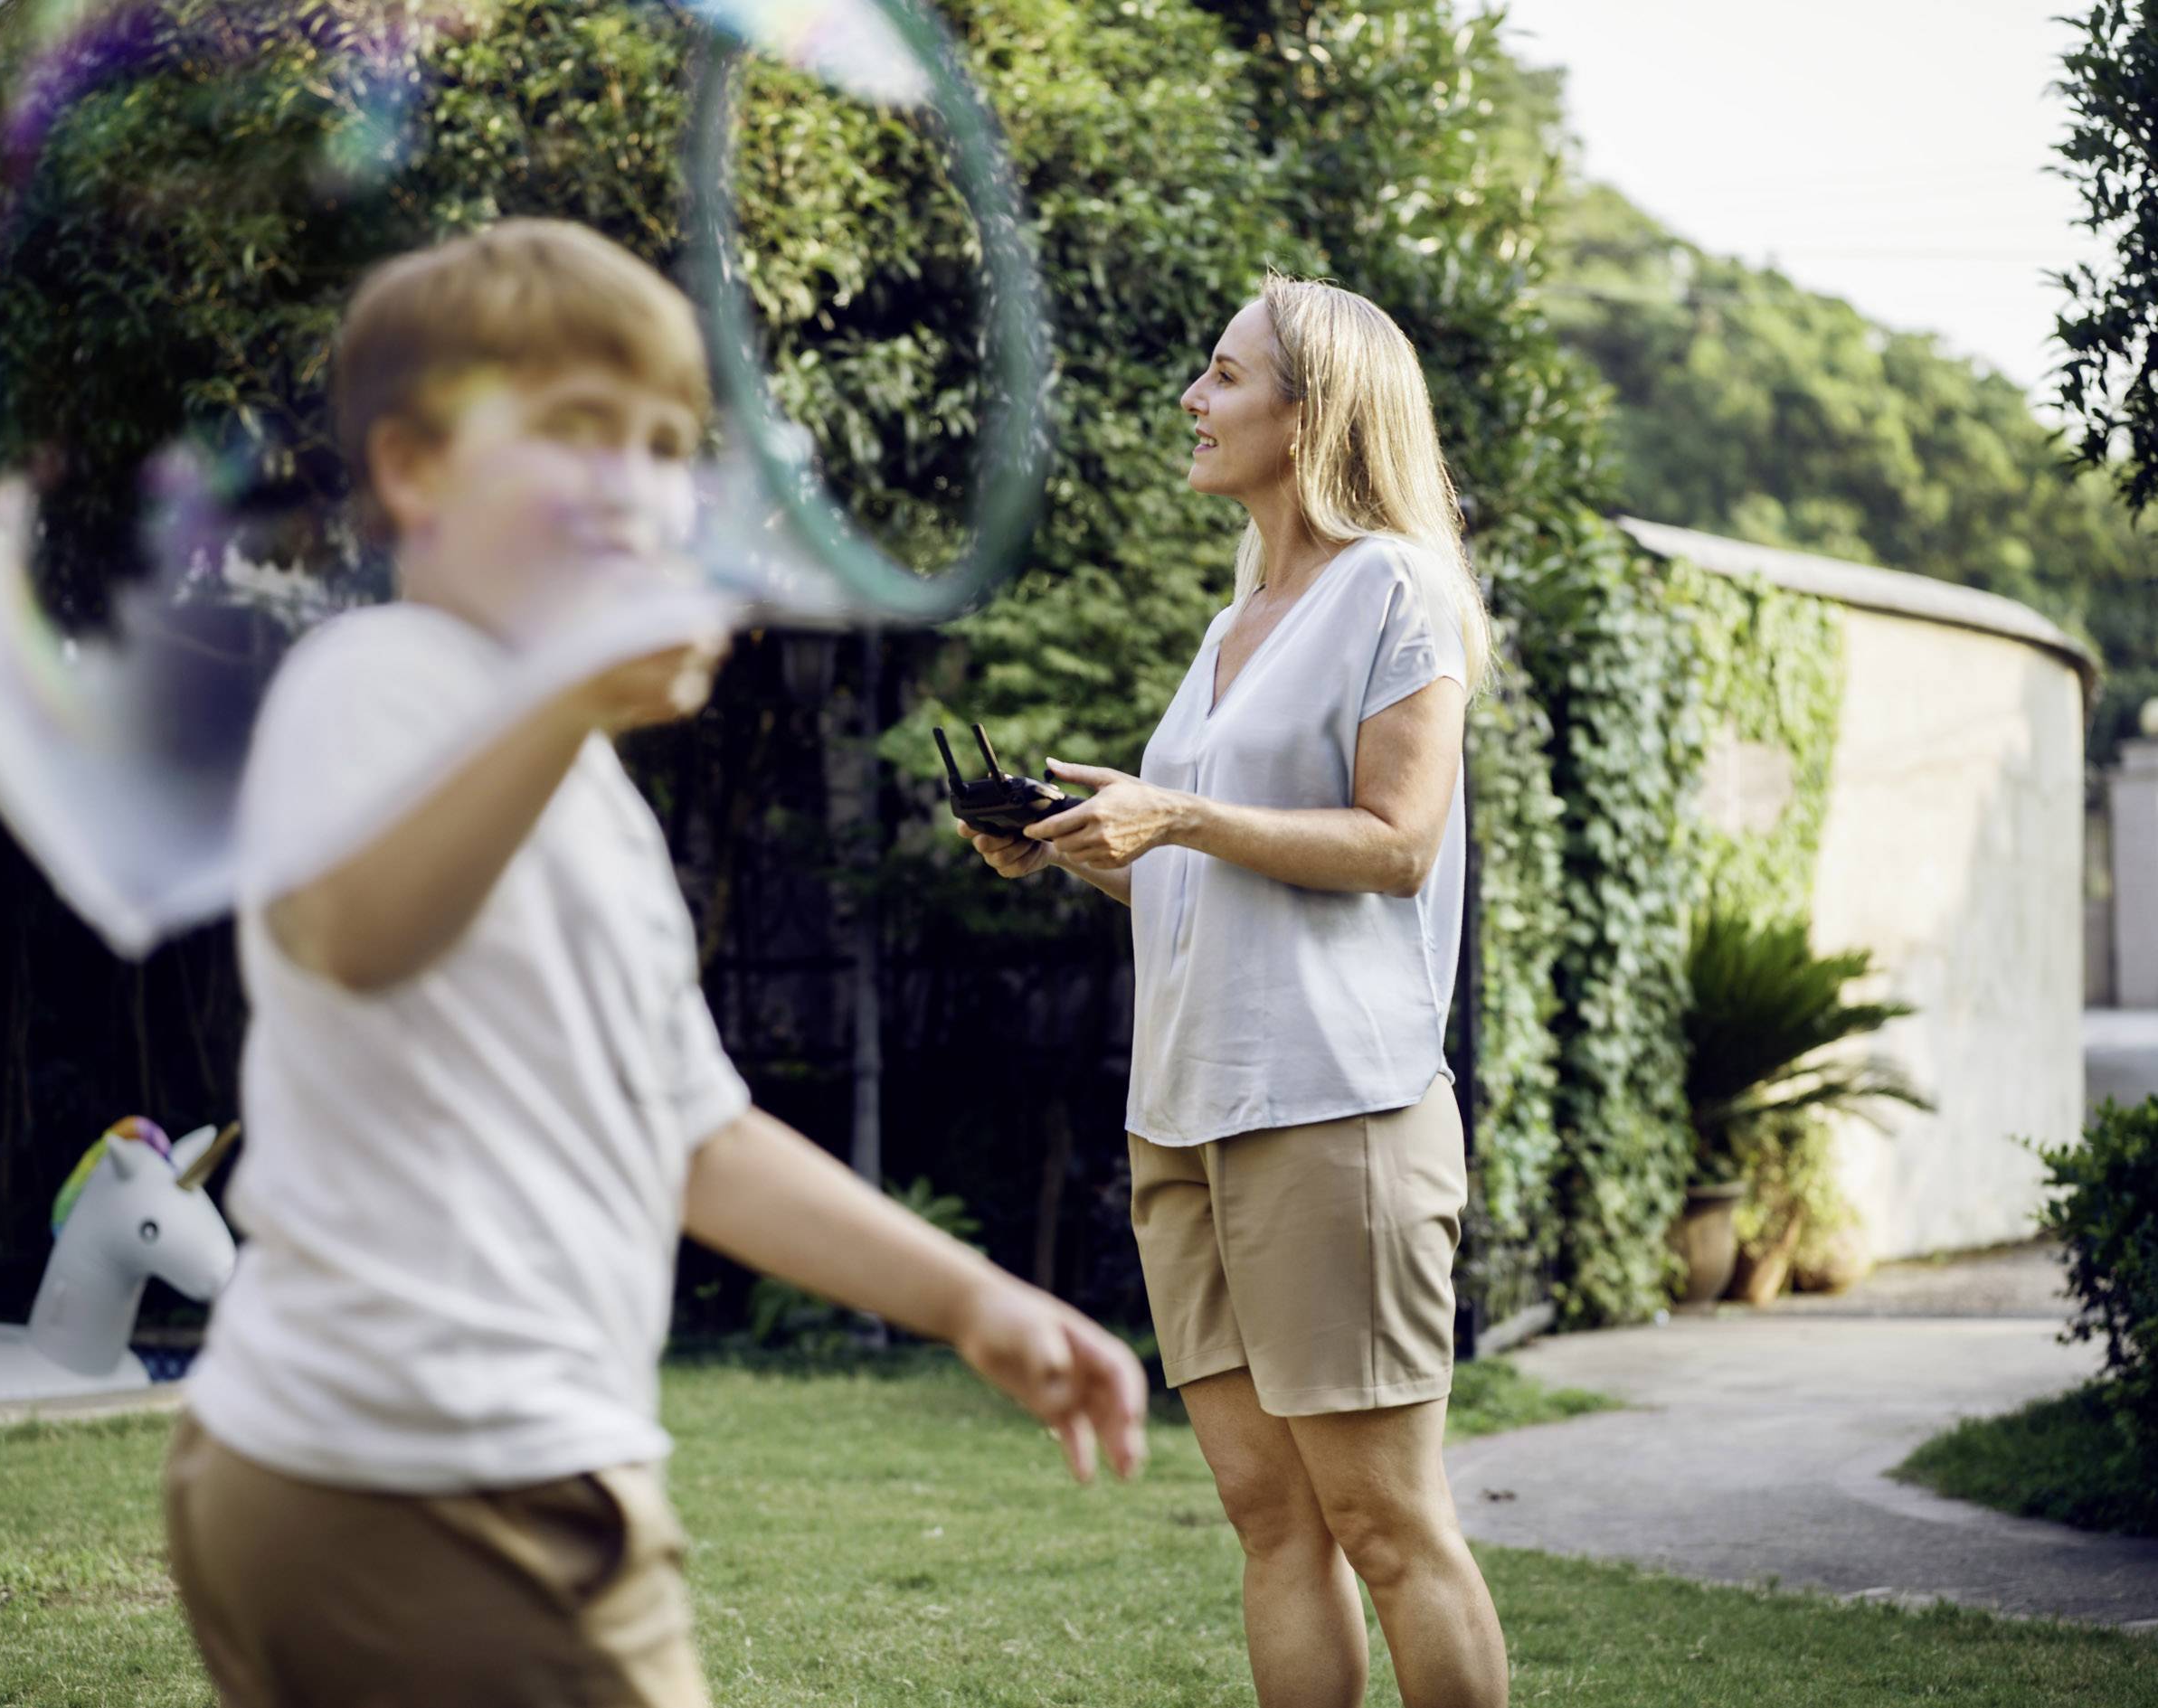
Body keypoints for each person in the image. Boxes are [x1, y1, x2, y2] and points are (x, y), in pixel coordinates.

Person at [164, 218, 1146, 1708]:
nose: (640, 480)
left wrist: (969, 1298)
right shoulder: (376, 685)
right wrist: (565, 696)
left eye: (668, 445)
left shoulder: (583, 786)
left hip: (438, 1466)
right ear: (418, 471)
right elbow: (352, 929)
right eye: (578, 432)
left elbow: (694, 1128)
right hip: (435, 1478)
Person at [960, 273, 1506, 1708]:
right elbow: (1198, 879)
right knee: (1271, 1519)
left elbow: (1396, 846)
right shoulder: (1231, 625)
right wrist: (1078, 848)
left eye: (1221, 375)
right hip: (1186, 1114)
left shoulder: (1396, 586)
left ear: (1310, 411)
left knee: (1387, 1523)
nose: (1191, 402)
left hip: (1334, 1111)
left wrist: (1177, 816)